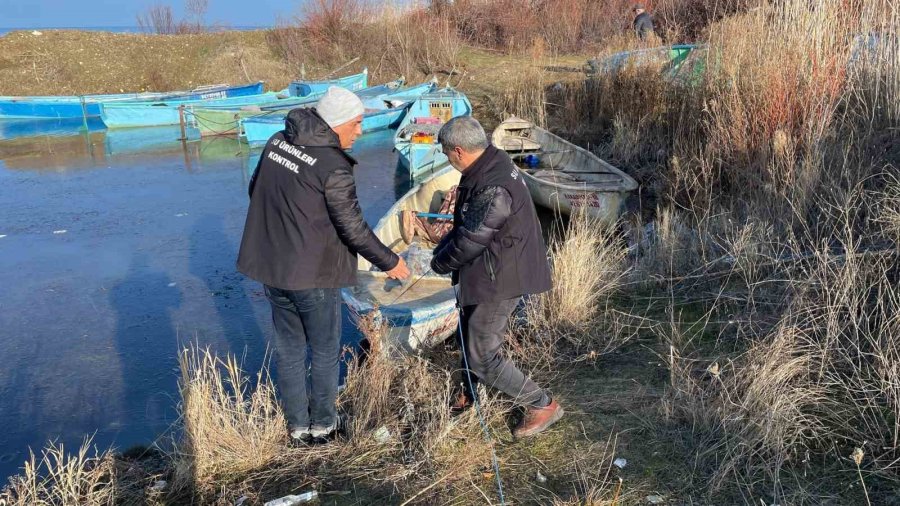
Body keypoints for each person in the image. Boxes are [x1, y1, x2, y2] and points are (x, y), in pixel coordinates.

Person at [237, 86, 410, 445]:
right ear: (337, 124)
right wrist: (390, 261)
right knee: (326, 348)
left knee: (289, 348)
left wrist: (293, 222)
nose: (360, 131)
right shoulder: (334, 167)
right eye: (358, 123)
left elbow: (258, 190)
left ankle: (297, 427)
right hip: (312, 273)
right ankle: (324, 427)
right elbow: (353, 228)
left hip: (272, 266)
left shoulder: (277, 142)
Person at [430, 116, 563, 438]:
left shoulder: (492, 185)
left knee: (483, 353)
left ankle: (541, 404)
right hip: (492, 269)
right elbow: (467, 228)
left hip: (501, 276)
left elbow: (472, 238)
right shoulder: (491, 162)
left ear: (458, 151)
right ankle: (469, 394)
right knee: (469, 335)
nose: (448, 159)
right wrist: (443, 249)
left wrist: (440, 263)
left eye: (446, 153)